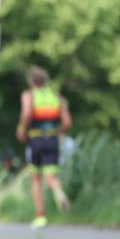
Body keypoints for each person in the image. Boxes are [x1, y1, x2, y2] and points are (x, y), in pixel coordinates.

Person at [16, 66, 72, 228]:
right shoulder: (57, 97)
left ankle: (40, 216)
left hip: (36, 139)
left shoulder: (29, 96)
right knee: (52, 175)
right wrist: (55, 131)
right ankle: (59, 193)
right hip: (53, 139)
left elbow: (26, 114)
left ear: (31, 81)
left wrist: (21, 130)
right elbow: (67, 122)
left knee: (36, 178)